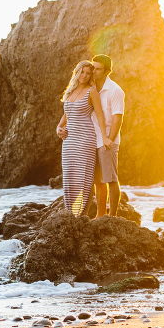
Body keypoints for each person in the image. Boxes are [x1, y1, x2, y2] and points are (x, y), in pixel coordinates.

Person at [55, 61, 109, 216]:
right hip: (69, 142)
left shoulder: (91, 91)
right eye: (82, 72)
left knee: (83, 179)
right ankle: (70, 215)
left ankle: (82, 216)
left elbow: (100, 115)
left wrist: (104, 137)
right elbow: (66, 115)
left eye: (88, 73)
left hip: (85, 140)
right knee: (70, 178)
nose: (85, 76)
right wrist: (58, 128)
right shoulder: (70, 92)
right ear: (77, 72)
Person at [90, 54, 125, 217]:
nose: (94, 71)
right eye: (93, 67)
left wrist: (109, 139)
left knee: (111, 179)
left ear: (107, 71)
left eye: (98, 69)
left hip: (107, 141)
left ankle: (112, 216)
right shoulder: (91, 88)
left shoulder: (115, 91)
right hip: (93, 139)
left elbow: (118, 118)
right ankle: (100, 214)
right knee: (98, 181)